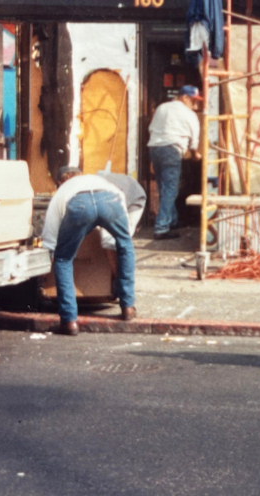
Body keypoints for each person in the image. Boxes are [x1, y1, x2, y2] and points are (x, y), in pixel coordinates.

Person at [42, 167, 138, 336]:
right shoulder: (97, 180)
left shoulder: (61, 193)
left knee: (63, 259)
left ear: (59, 183)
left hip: (79, 206)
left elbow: (49, 242)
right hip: (110, 198)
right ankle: (128, 307)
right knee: (125, 245)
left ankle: (69, 321)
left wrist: (43, 279)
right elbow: (113, 233)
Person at [147, 84, 203, 240]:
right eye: (194, 101)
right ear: (185, 97)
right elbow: (193, 144)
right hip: (172, 149)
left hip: (155, 149)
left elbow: (151, 129)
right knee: (171, 189)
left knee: (163, 187)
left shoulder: (161, 108)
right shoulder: (190, 115)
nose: (195, 105)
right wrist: (195, 155)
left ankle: (172, 220)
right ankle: (161, 228)